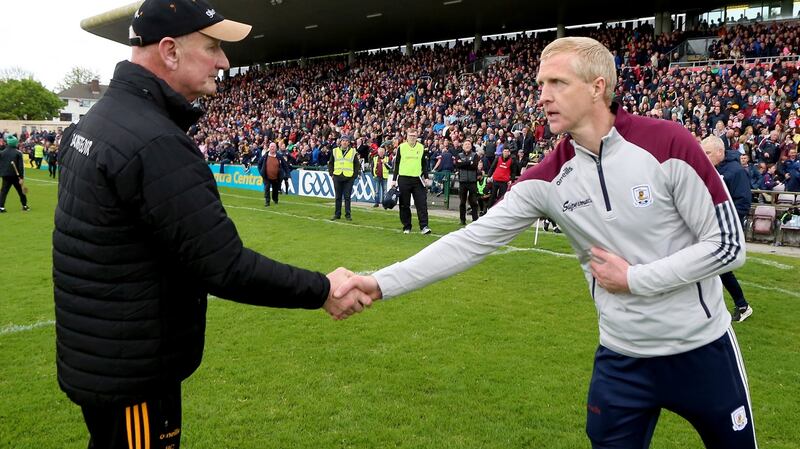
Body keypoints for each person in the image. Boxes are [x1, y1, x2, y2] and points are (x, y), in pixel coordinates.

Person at [336, 37, 756, 449]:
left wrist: (635, 279)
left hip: (702, 350)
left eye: (557, 83)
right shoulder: (546, 179)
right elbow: (469, 242)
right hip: (622, 359)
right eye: (540, 85)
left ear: (597, 87)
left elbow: (728, 245)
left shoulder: (669, 144)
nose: (543, 96)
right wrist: (380, 283)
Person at [52, 2, 370, 448]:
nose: (224, 62)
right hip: (134, 372)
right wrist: (321, 289)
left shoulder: (101, 120)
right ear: (170, 51)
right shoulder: (154, 140)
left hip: (103, 355)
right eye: (214, 47)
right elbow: (225, 265)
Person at [701, 136, 754, 322]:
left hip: (724, 226)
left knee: (720, 266)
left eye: (707, 153)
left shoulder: (736, 171)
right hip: (710, 224)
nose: (703, 156)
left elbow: (743, 202)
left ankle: (742, 305)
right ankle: (736, 304)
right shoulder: (711, 169)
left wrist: (728, 222)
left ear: (720, 152)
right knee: (711, 266)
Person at [391, 128, 431, 234]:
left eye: (414, 135)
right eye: (410, 135)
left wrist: (426, 177)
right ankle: (407, 226)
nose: (412, 137)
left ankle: (424, 226)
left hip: (417, 179)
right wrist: (394, 179)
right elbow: (397, 164)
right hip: (404, 179)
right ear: (407, 136)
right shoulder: (401, 147)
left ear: (417, 136)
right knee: (404, 204)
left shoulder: (421, 147)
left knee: (421, 203)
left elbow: (424, 164)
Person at [328, 134, 359, 221]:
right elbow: (331, 163)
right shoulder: (335, 151)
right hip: (337, 176)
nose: (344, 142)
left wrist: (354, 176)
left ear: (349, 143)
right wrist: (332, 174)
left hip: (348, 177)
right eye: (343, 141)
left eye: (346, 141)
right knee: (338, 197)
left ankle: (348, 215)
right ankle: (337, 214)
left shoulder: (353, 151)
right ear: (340, 142)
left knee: (347, 197)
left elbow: (357, 164)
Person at [0, 135, 30, 213]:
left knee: (3, 192)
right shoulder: (18, 153)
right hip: (15, 176)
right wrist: (21, 177)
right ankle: (25, 206)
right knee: (21, 191)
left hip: (5, 175)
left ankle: (1, 207)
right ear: (15, 143)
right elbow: (21, 167)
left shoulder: (2, 153)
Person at [455, 139, 479, 225]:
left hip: (472, 182)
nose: (467, 146)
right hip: (462, 182)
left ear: (471, 146)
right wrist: (469, 163)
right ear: (463, 146)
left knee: (473, 202)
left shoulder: (475, 155)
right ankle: (462, 220)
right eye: (465, 144)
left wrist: (464, 163)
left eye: (469, 144)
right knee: (462, 202)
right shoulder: (459, 155)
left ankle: (475, 219)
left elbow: (474, 166)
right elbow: (458, 165)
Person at [259, 142, 288, 207]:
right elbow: (259, 164)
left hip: (276, 177)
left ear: (276, 148)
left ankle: (275, 199)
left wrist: (287, 174)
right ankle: (267, 202)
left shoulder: (279, 156)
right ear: (269, 148)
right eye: (271, 146)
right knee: (267, 188)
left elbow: (285, 165)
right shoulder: (265, 156)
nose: (272, 148)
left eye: (273, 147)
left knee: (275, 189)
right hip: (266, 176)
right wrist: (261, 172)